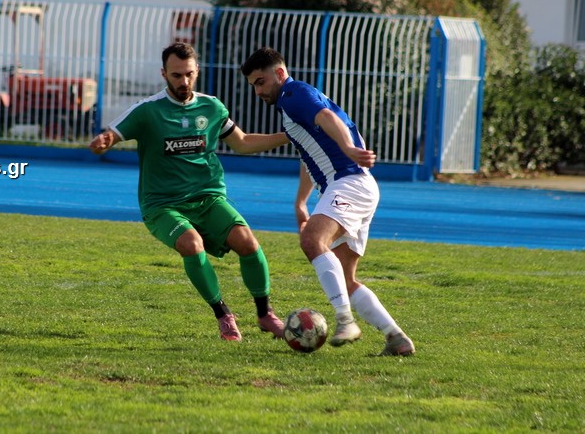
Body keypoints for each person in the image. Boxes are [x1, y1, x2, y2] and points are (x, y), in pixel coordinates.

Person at [89, 42, 290, 342]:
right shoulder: (148, 111)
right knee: (191, 244)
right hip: (163, 205)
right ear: (163, 74)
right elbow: (112, 134)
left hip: (208, 198)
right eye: (176, 75)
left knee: (248, 243)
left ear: (197, 71)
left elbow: (243, 142)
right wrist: (104, 141)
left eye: (189, 74)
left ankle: (265, 314)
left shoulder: (212, 107)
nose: (184, 81)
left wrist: (289, 136)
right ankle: (223, 315)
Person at [240, 47, 415, 356]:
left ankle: (345, 321)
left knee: (312, 240)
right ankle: (396, 338)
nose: (257, 91)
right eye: (253, 85)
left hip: (348, 183)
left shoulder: (293, 94)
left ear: (279, 73)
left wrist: (347, 147)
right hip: (352, 186)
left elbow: (327, 117)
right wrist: (301, 202)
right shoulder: (292, 105)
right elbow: (309, 152)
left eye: (260, 82)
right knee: (346, 280)